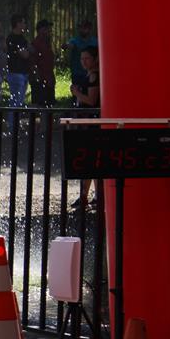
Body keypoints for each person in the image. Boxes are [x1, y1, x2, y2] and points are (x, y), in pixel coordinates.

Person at [70, 45, 100, 208]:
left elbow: (91, 100)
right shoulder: (89, 75)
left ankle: (86, 195)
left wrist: (77, 93)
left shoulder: (94, 76)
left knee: (90, 159)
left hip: (91, 122)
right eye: (82, 59)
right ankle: (90, 194)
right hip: (87, 121)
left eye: (87, 58)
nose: (84, 62)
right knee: (90, 159)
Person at [5, 14, 32, 109]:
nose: (25, 25)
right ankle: (12, 123)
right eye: (23, 22)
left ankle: (14, 122)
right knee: (16, 102)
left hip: (23, 72)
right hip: (15, 73)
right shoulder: (12, 38)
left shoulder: (22, 38)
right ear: (18, 24)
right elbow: (25, 54)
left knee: (19, 102)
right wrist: (28, 51)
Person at [62, 19, 98, 90]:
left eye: (84, 27)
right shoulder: (75, 40)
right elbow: (70, 45)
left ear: (89, 29)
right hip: (78, 74)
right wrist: (66, 46)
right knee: (78, 96)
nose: (82, 29)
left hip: (92, 73)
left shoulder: (95, 41)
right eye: (80, 27)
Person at [30, 19, 56, 107]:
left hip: (48, 80)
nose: (49, 30)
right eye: (47, 28)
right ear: (41, 30)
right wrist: (38, 80)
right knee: (40, 107)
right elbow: (33, 63)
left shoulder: (47, 43)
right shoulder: (36, 43)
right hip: (40, 80)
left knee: (49, 106)